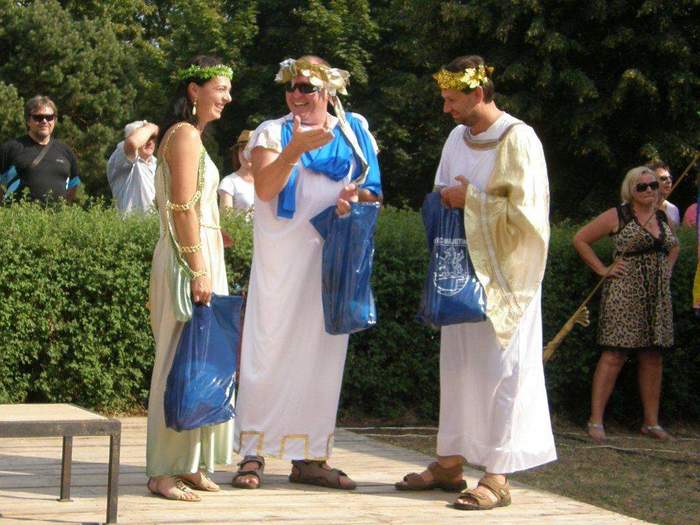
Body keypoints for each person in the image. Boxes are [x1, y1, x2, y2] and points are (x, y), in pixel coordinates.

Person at [394, 55, 555, 511]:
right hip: (460, 272)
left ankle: (497, 475)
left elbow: (531, 217)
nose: (446, 109)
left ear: (478, 94)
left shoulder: (519, 139)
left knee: (505, 372)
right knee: (459, 366)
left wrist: (473, 200)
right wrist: (450, 198)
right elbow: (442, 191)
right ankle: (450, 462)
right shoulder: (455, 137)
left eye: (452, 100)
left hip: (507, 279)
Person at [232, 56, 382, 490]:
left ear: (328, 92)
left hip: (331, 259)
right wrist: (295, 149)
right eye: (291, 87)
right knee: (267, 350)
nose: (296, 95)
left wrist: (355, 199)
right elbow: (264, 188)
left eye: (306, 88)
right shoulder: (273, 132)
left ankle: (311, 457)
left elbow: (374, 194)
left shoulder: (354, 131)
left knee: (322, 357)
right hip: (281, 261)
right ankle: (253, 452)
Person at [145, 56, 234, 502]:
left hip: (201, 253)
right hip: (187, 261)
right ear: (194, 90)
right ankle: (164, 470)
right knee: (177, 359)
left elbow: (195, 207)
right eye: (220, 88)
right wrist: (199, 268)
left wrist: (215, 234)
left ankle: (191, 462)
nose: (228, 97)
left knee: (203, 359)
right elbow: (181, 209)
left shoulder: (192, 136)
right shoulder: (183, 135)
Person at [573, 167, 679, 442]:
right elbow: (581, 239)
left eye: (653, 185)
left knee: (652, 355)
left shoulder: (662, 216)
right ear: (630, 190)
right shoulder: (617, 215)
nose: (649, 190)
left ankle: (651, 423)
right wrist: (602, 269)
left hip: (656, 295)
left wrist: (667, 268)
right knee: (614, 354)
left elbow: (674, 246)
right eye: (642, 186)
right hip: (624, 293)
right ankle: (596, 420)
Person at [0, 95, 80, 202]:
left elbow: (74, 183)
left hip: (57, 213)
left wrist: (64, 208)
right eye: (38, 117)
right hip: (19, 213)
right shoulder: (11, 148)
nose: (44, 121)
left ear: (54, 120)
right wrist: (4, 206)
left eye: (49, 117)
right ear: (28, 121)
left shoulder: (66, 151)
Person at [106, 120, 159, 213]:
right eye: (146, 138)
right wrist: (151, 128)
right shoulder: (120, 157)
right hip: (131, 222)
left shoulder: (156, 163)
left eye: (152, 138)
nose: (150, 142)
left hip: (155, 221)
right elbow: (132, 143)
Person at [218, 129, 254, 212]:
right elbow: (226, 218)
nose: (245, 154)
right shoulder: (229, 182)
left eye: (250, 150)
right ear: (237, 153)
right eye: (242, 149)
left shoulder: (267, 181)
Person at [648, 161, 680, 227]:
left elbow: (675, 233)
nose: (669, 181)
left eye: (670, 178)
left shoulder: (673, 209)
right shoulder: (638, 206)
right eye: (663, 178)